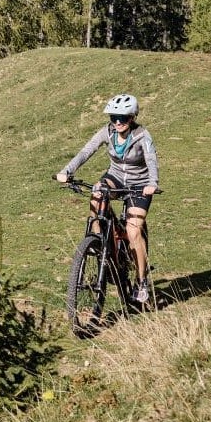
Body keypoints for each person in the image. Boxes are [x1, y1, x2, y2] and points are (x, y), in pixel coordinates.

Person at [56, 93, 160, 303]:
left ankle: (141, 283)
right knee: (96, 193)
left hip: (139, 184)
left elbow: (151, 160)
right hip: (115, 178)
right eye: (114, 117)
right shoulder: (107, 132)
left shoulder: (142, 135)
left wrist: (152, 184)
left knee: (133, 230)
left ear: (132, 117)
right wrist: (66, 171)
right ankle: (98, 241)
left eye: (123, 117)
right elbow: (86, 151)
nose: (118, 122)